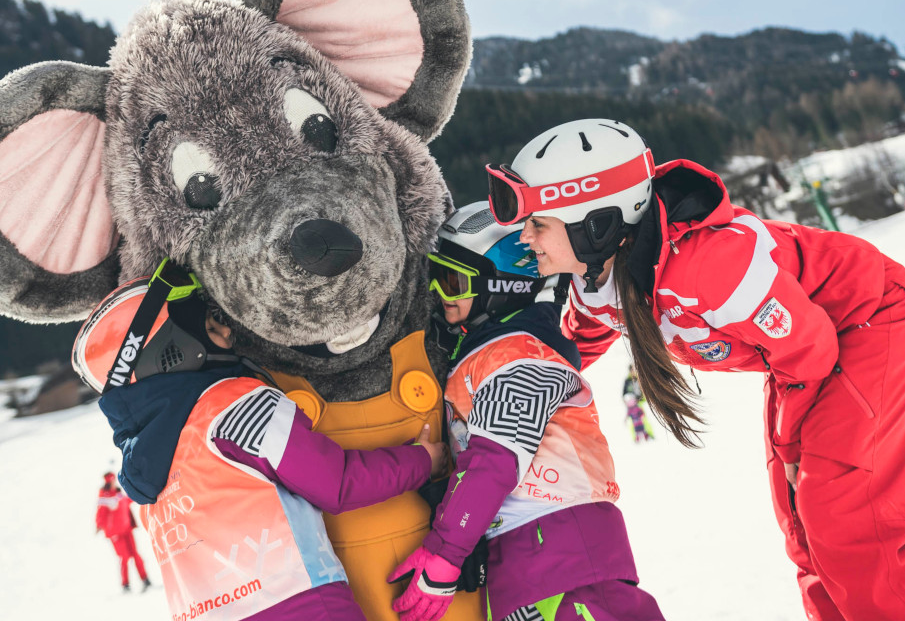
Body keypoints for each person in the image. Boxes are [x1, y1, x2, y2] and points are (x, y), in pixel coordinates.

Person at [485, 118, 905, 621]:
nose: (526, 237)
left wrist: (789, 447)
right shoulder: (595, 282)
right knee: (804, 527)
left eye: (538, 222)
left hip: (866, 320)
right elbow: (569, 352)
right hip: (799, 360)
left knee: (845, 521)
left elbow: (810, 351)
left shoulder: (712, 268)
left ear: (597, 223)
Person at [73, 259, 447, 621]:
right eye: (208, 324)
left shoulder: (144, 468)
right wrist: (422, 461)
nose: (227, 331)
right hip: (302, 606)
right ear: (172, 352)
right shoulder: (233, 406)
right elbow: (338, 483)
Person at [389, 202, 664, 621]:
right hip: (525, 563)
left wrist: (445, 553)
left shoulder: (521, 357)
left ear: (507, 285)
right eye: (434, 278)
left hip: (562, 557)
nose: (438, 293)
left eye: (451, 280)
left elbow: (495, 459)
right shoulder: (485, 355)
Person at [95, 470, 151, 592]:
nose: (114, 482)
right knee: (124, 557)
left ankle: (145, 579)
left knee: (135, 554)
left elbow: (131, 499)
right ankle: (125, 584)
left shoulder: (119, 494)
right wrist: (99, 525)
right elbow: (100, 513)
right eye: (111, 480)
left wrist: (142, 491)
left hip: (126, 530)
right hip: (115, 533)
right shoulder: (104, 497)